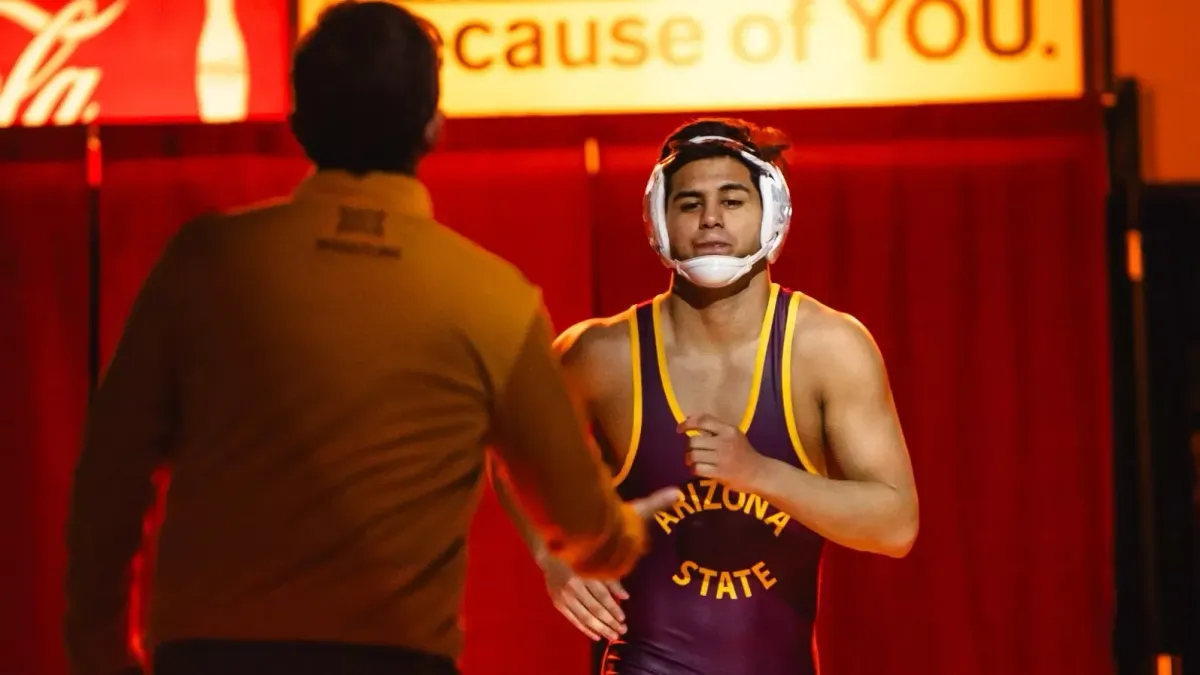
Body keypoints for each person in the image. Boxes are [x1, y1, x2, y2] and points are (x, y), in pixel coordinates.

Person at [62, 3, 679, 675]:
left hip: (208, 656)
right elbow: (577, 521)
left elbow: (109, 476)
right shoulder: (491, 296)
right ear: (432, 127)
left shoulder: (205, 263)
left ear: (298, 122)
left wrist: (98, 653)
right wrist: (619, 538)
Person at [491, 118, 920, 675]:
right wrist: (552, 550)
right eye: (689, 203)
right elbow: (510, 448)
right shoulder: (604, 354)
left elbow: (896, 525)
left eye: (732, 200)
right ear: (658, 221)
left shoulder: (827, 348)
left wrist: (760, 474)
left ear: (773, 211)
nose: (711, 218)